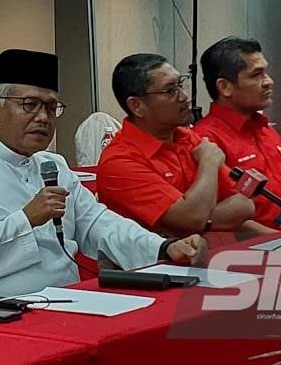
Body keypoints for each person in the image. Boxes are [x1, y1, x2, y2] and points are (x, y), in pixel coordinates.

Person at [0, 49, 204, 306]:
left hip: (65, 303)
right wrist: (25, 220)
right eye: (30, 105)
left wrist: (164, 246)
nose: (43, 118)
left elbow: (99, 223)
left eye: (51, 107)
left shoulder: (52, 165)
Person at [96, 53, 263, 237]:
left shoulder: (186, 138)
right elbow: (192, 218)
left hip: (206, 248)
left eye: (180, 84)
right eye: (170, 90)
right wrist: (208, 163)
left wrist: (196, 223)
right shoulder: (119, 162)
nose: (184, 96)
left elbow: (245, 203)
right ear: (137, 106)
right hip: (152, 256)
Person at [194, 37, 281, 227]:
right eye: (256, 75)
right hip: (264, 243)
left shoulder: (266, 129)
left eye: (265, 72)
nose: (269, 82)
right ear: (225, 87)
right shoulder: (207, 141)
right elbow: (225, 221)